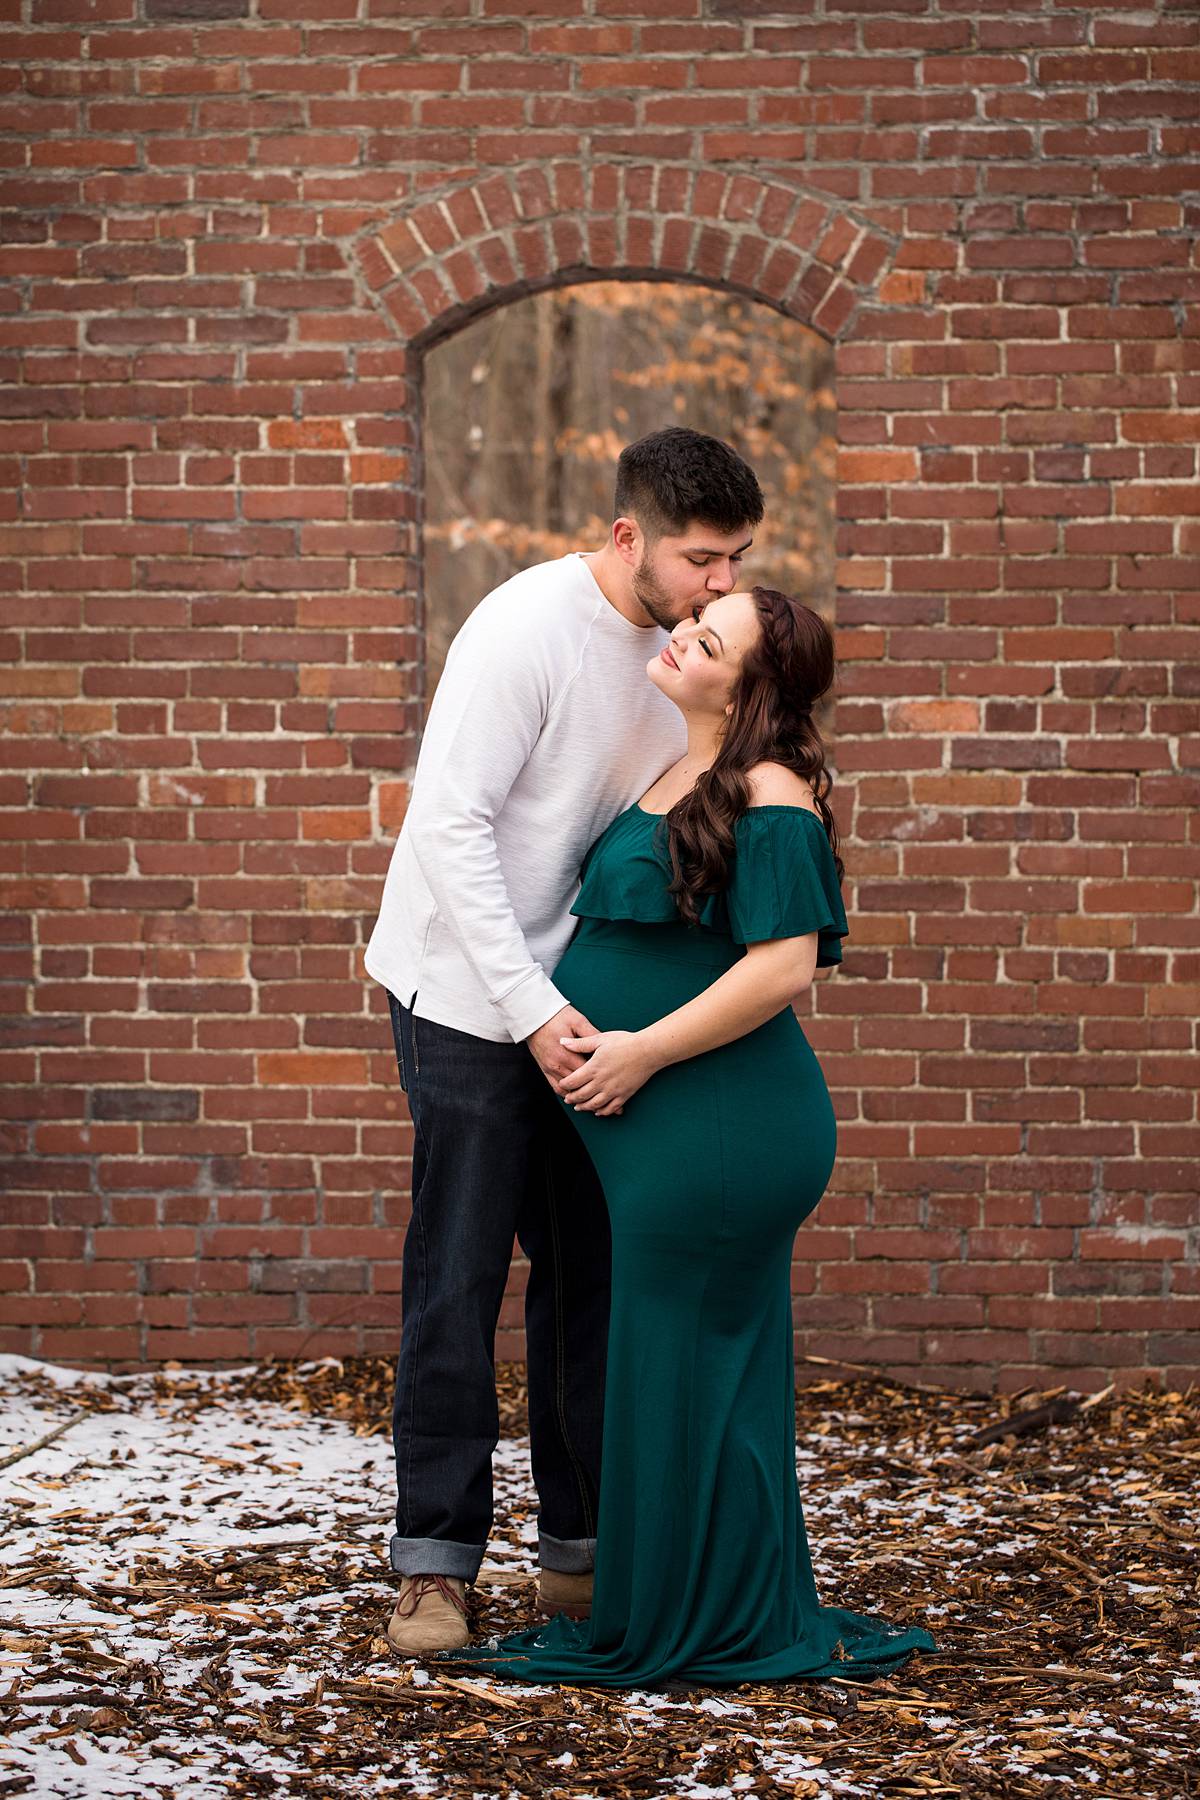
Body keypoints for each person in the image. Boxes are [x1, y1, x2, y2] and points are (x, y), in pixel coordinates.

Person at [432, 583, 940, 1687]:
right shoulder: (678, 762)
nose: (681, 637)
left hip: (720, 1127)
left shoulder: (772, 790)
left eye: (709, 640)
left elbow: (784, 965)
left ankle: (706, 1618)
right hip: (667, 1125)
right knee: (671, 1367)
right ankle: (684, 1600)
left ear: (750, 686)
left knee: (685, 1366)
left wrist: (642, 1052)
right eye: (692, 623)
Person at [363, 427, 766, 1654]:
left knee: (589, 1284)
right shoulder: (524, 631)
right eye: (703, 559)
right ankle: (434, 1570)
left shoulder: (683, 660)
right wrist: (531, 1014)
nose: (722, 588)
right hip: (469, 998)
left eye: (740, 560)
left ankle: (578, 1560)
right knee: (460, 1276)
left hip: (596, 1017)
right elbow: (450, 829)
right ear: (626, 535)